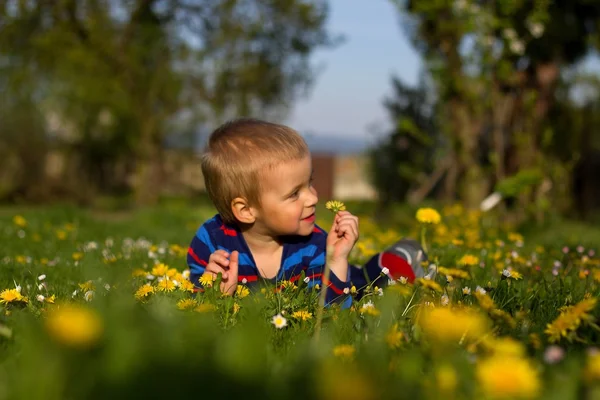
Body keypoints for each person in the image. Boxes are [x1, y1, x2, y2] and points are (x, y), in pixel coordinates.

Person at [186, 118, 429, 307]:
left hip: (345, 282)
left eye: (309, 183)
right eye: (294, 194)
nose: (313, 198)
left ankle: (394, 260)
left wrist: (336, 260)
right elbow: (197, 313)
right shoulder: (211, 244)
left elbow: (332, 313)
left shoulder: (313, 244)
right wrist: (216, 296)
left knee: (367, 283)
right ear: (246, 210)